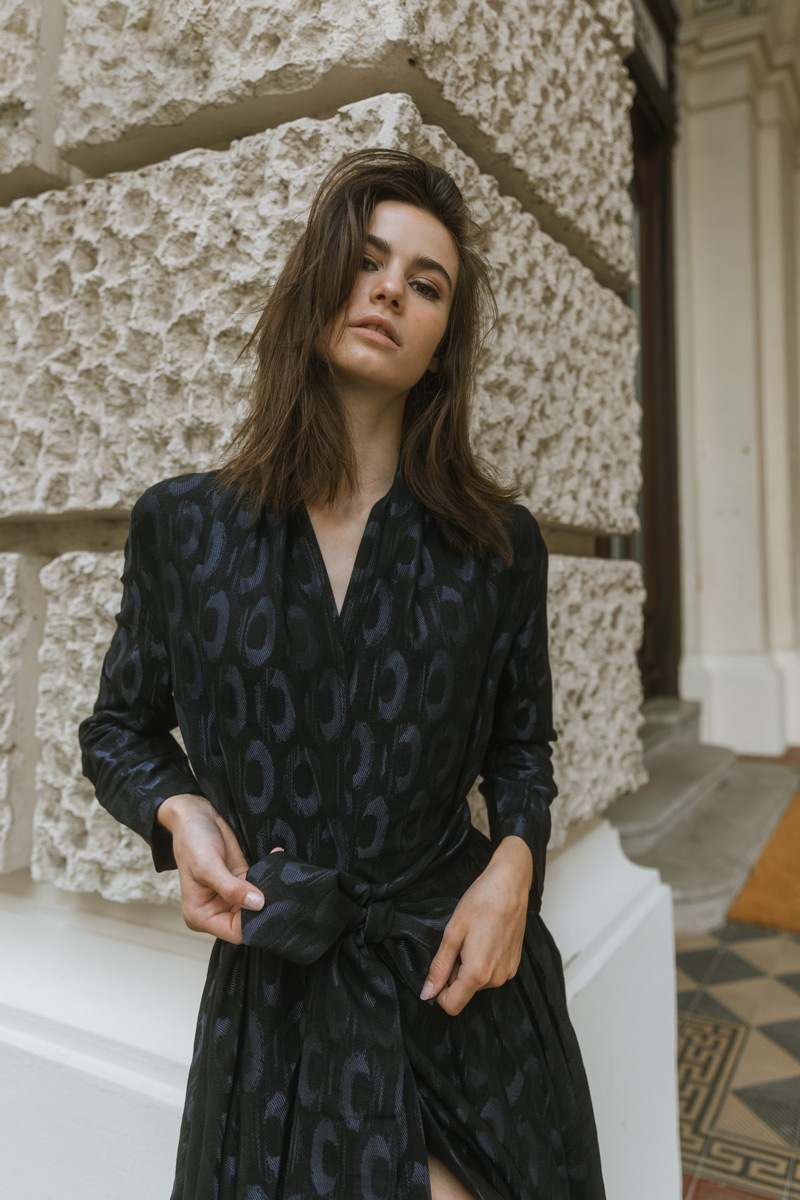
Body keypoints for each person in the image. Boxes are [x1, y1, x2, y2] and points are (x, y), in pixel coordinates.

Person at [78, 148, 607, 1200]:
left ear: (441, 341)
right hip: (280, 1003)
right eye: (368, 261)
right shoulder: (184, 529)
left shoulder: (496, 545)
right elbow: (119, 730)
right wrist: (176, 813)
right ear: (318, 279)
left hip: (461, 988)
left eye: (426, 283)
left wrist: (515, 864)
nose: (390, 292)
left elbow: (519, 749)